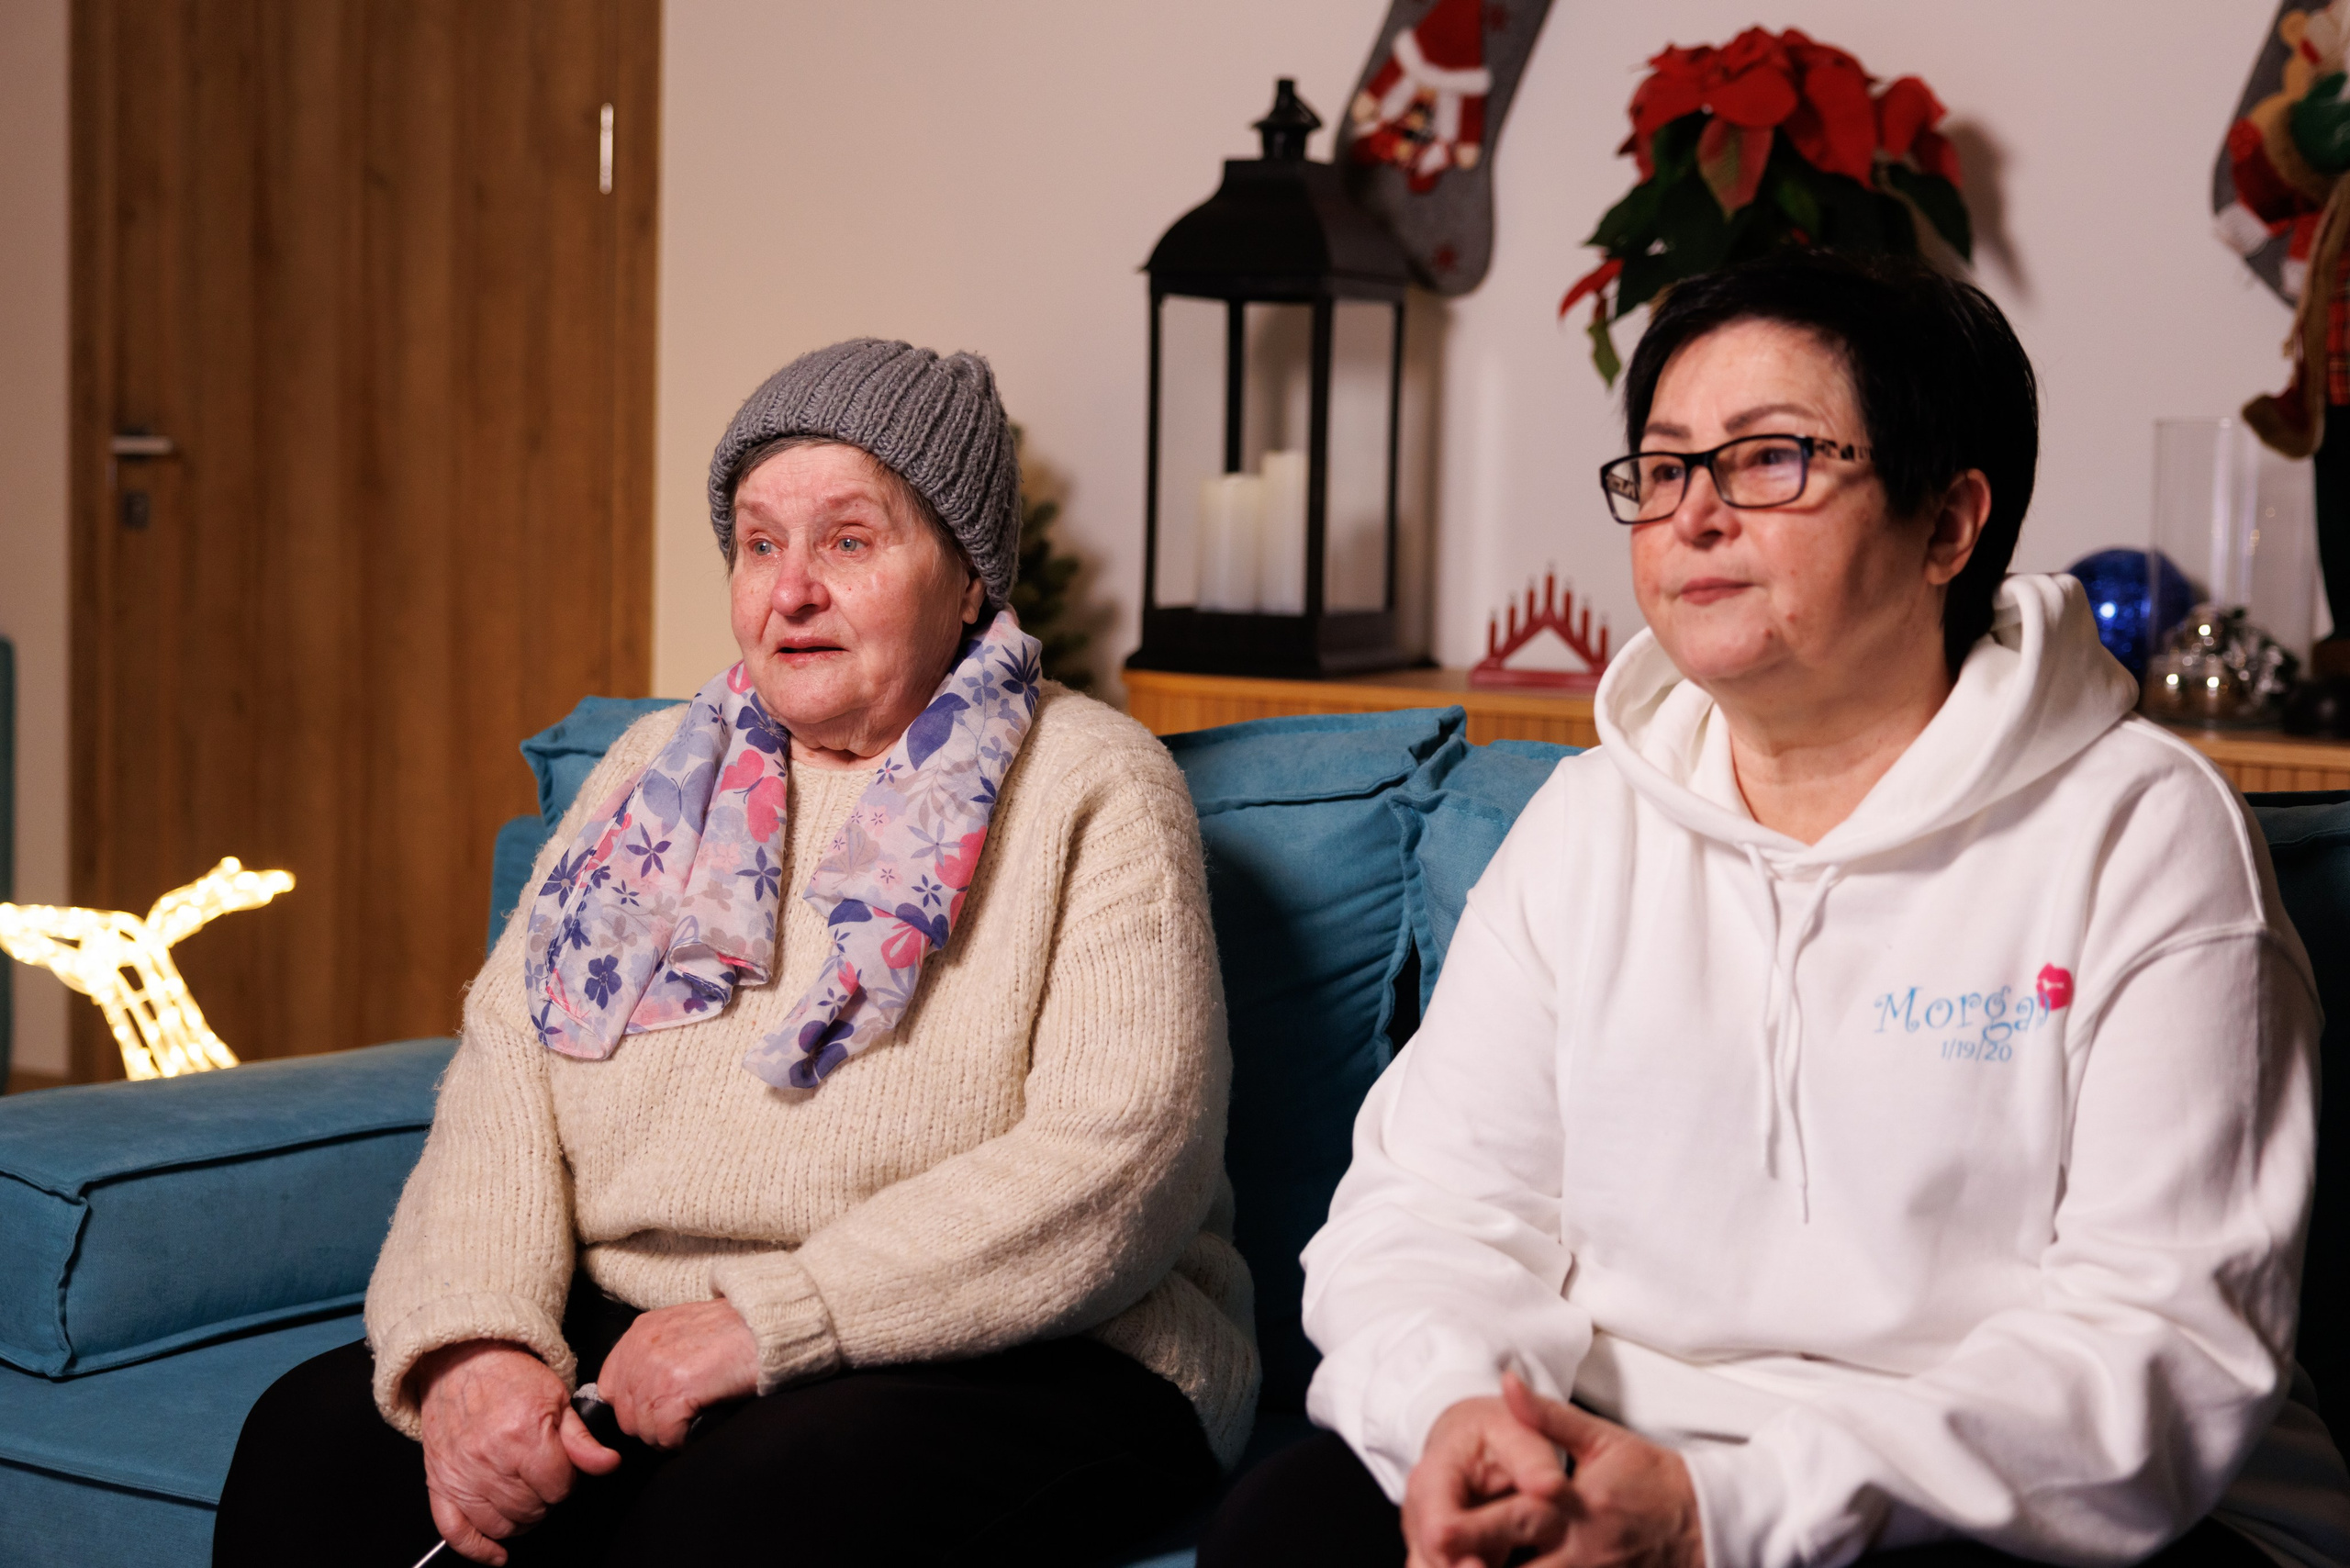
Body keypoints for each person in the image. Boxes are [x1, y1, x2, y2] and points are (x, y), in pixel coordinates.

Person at [1197, 252, 2350, 1568]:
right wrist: (1466, 1417)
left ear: (1948, 525)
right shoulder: (1589, 825)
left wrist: (1715, 1519)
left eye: (1770, 460)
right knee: (1291, 1530)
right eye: (1667, 466)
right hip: (1622, 1447)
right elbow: (1434, 1214)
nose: (1694, 514)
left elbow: (2159, 1353)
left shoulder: (2143, 837)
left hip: (2016, 1506)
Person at [215, 339, 1258, 1567]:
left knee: (745, 1511)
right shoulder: (651, 775)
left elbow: (1124, 1158)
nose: (791, 591)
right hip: (642, 1324)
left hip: (1030, 1342)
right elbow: (509, 1073)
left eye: (849, 542)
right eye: (761, 544)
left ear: (971, 578)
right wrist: (473, 1348)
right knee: (312, 1444)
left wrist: (775, 1320)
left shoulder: (1094, 785)